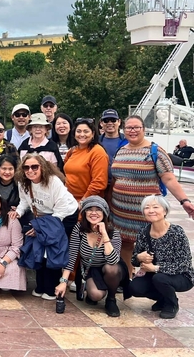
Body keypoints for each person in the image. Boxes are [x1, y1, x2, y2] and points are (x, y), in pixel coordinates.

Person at [110, 115, 194, 274]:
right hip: (121, 212)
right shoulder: (121, 151)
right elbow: (116, 178)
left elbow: (169, 179)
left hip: (147, 212)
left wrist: (184, 201)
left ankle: (151, 280)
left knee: (151, 245)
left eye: (136, 127)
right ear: (124, 130)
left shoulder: (156, 151)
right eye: (129, 128)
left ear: (144, 130)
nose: (132, 131)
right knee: (125, 245)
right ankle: (128, 277)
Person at [12, 153, 79, 300]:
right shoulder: (23, 182)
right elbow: (24, 202)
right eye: (26, 167)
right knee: (39, 248)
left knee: (53, 249)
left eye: (34, 167)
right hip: (43, 217)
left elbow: (60, 210)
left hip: (64, 216)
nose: (30, 170)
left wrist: (41, 229)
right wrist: (18, 212)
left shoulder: (53, 181)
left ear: (42, 167)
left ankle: (51, 287)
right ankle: (41, 285)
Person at [55, 196, 128, 318]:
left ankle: (111, 299)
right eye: (89, 209)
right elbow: (72, 256)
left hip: (113, 268)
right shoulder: (79, 229)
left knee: (111, 268)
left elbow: (113, 260)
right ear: (84, 213)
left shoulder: (113, 232)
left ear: (104, 213)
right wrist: (63, 281)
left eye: (98, 209)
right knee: (96, 295)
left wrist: (104, 234)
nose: (93, 213)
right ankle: (93, 290)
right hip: (90, 268)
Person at [128, 195, 194, 319]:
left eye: (155, 207)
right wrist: (139, 257)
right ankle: (164, 298)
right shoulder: (144, 231)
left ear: (165, 211)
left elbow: (184, 263)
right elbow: (134, 261)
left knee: (160, 278)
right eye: (147, 208)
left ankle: (172, 304)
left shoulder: (176, 232)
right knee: (134, 287)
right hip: (154, 275)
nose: (151, 210)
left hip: (181, 275)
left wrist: (155, 268)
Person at [64, 118, 109, 203]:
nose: (82, 134)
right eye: (79, 131)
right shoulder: (72, 151)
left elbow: (99, 183)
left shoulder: (98, 152)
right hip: (69, 201)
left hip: (89, 202)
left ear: (93, 134)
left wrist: (83, 202)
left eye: (86, 131)